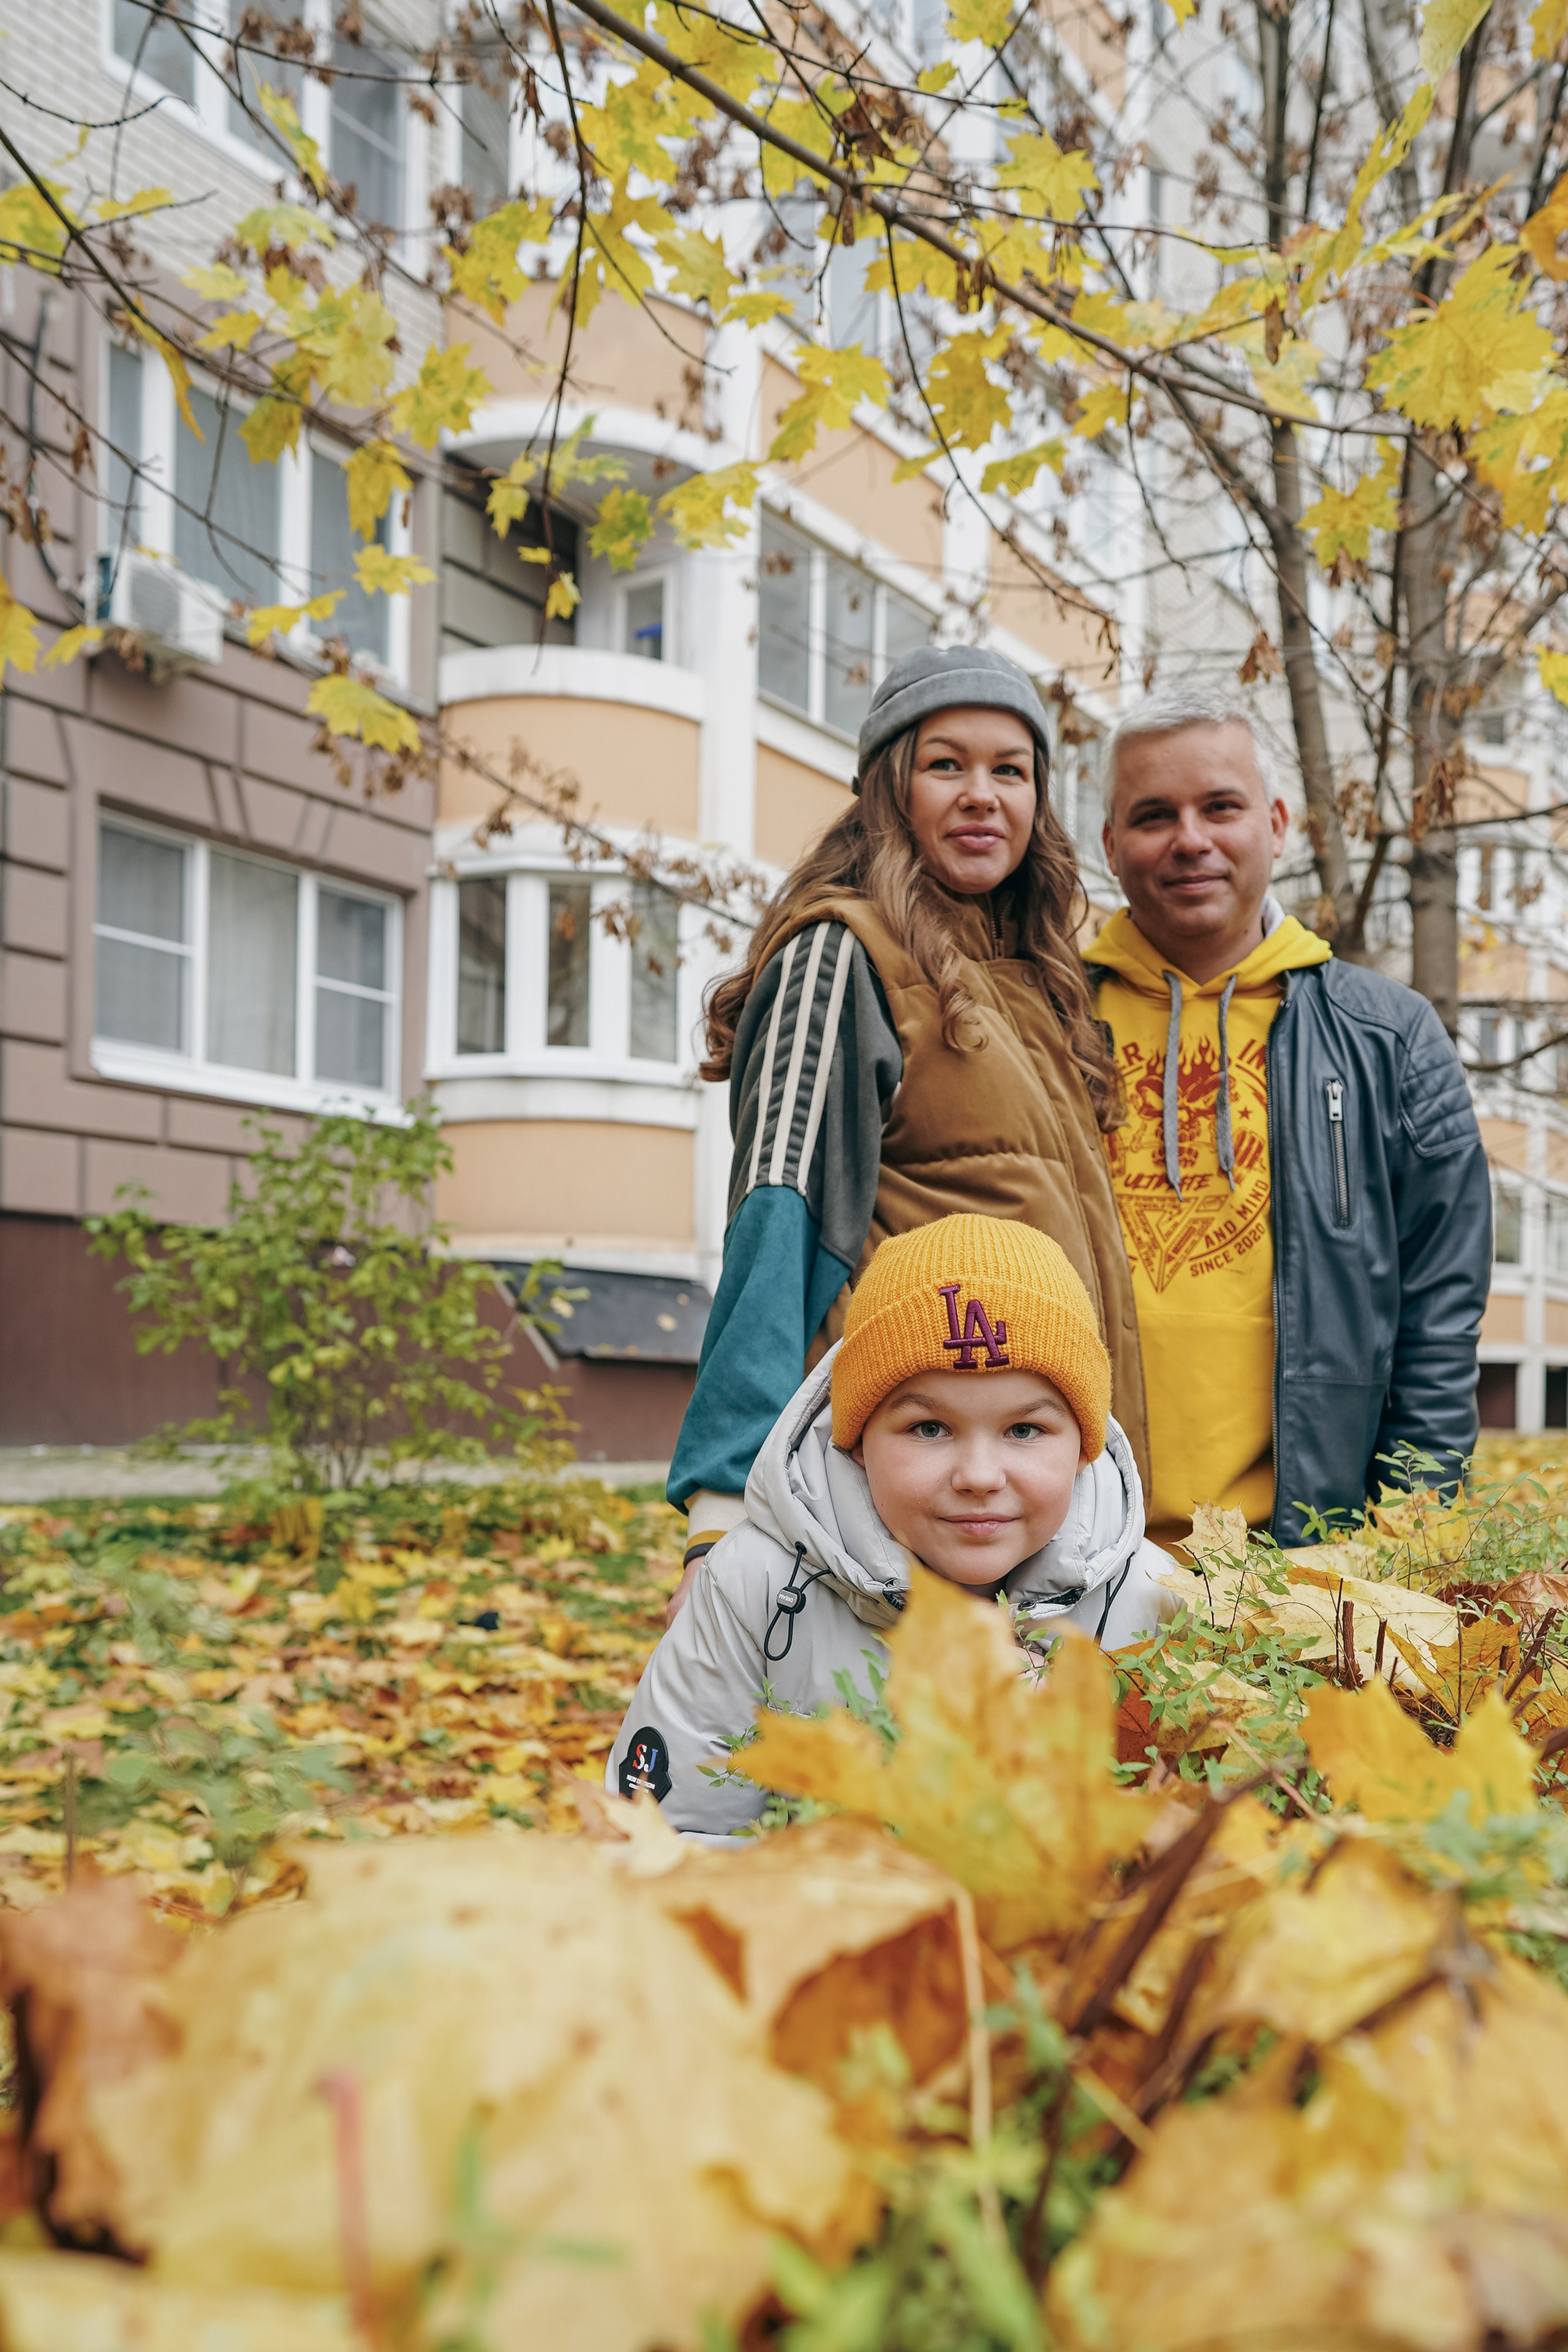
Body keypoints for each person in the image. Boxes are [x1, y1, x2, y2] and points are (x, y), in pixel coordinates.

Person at [665, 644, 1148, 1619]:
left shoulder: (1042, 987)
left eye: (1009, 771)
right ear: (890, 789)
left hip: (1030, 1495)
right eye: (946, 765)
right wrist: (717, 1517)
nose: (982, 795)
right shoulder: (838, 956)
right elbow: (776, 1223)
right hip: (904, 1496)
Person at [1086, 685, 1490, 1553]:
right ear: (1112, 847)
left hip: (1306, 1554)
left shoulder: (1390, 1038)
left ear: (1276, 825)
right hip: (1075, 1554)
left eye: (1219, 807)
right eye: (1154, 816)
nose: (1190, 839)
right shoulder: (1046, 1020)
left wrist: (1410, 1542)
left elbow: (1440, 1314)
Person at [609, 1216, 1171, 1836]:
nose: (979, 1476)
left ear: (1084, 1447)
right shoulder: (755, 1588)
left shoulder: (1152, 1601)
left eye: (1024, 1430)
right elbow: (664, 1840)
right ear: (855, 1442)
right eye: (929, 1429)